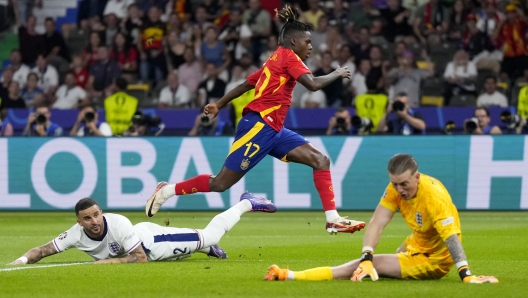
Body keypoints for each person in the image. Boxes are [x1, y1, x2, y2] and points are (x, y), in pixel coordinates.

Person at [145, 5, 365, 235]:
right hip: (259, 126)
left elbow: (246, 84)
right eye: (307, 42)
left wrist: (219, 104)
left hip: (274, 129)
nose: (311, 47)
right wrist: (337, 73)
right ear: (293, 42)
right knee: (221, 183)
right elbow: (313, 85)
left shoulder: (274, 58)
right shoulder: (289, 57)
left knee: (321, 161)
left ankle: (333, 219)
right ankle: (166, 191)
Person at [264, 154, 499, 284]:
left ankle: (290, 275)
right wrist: (367, 254)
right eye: (395, 183)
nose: (399, 189)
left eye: (404, 184)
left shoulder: (434, 197)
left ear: (417, 177)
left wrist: (465, 274)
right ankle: (377, 263)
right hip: (417, 243)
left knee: (366, 266)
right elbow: (377, 222)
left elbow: (452, 239)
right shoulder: (395, 189)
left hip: (435, 259)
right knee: (371, 262)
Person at [8, 194, 277, 265]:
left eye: (96, 214)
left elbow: (141, 258)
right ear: (79, 222)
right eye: (87, 218)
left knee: (210, 234)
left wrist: (112, 262)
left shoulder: (117, 223)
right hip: (139, 240)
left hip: (153, 242)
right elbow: (43, 250)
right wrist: (21, 261)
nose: (94, 221)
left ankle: (246, 202)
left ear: (101, 212)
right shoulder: (74, 235)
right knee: (182, 256)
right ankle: (205, 248)